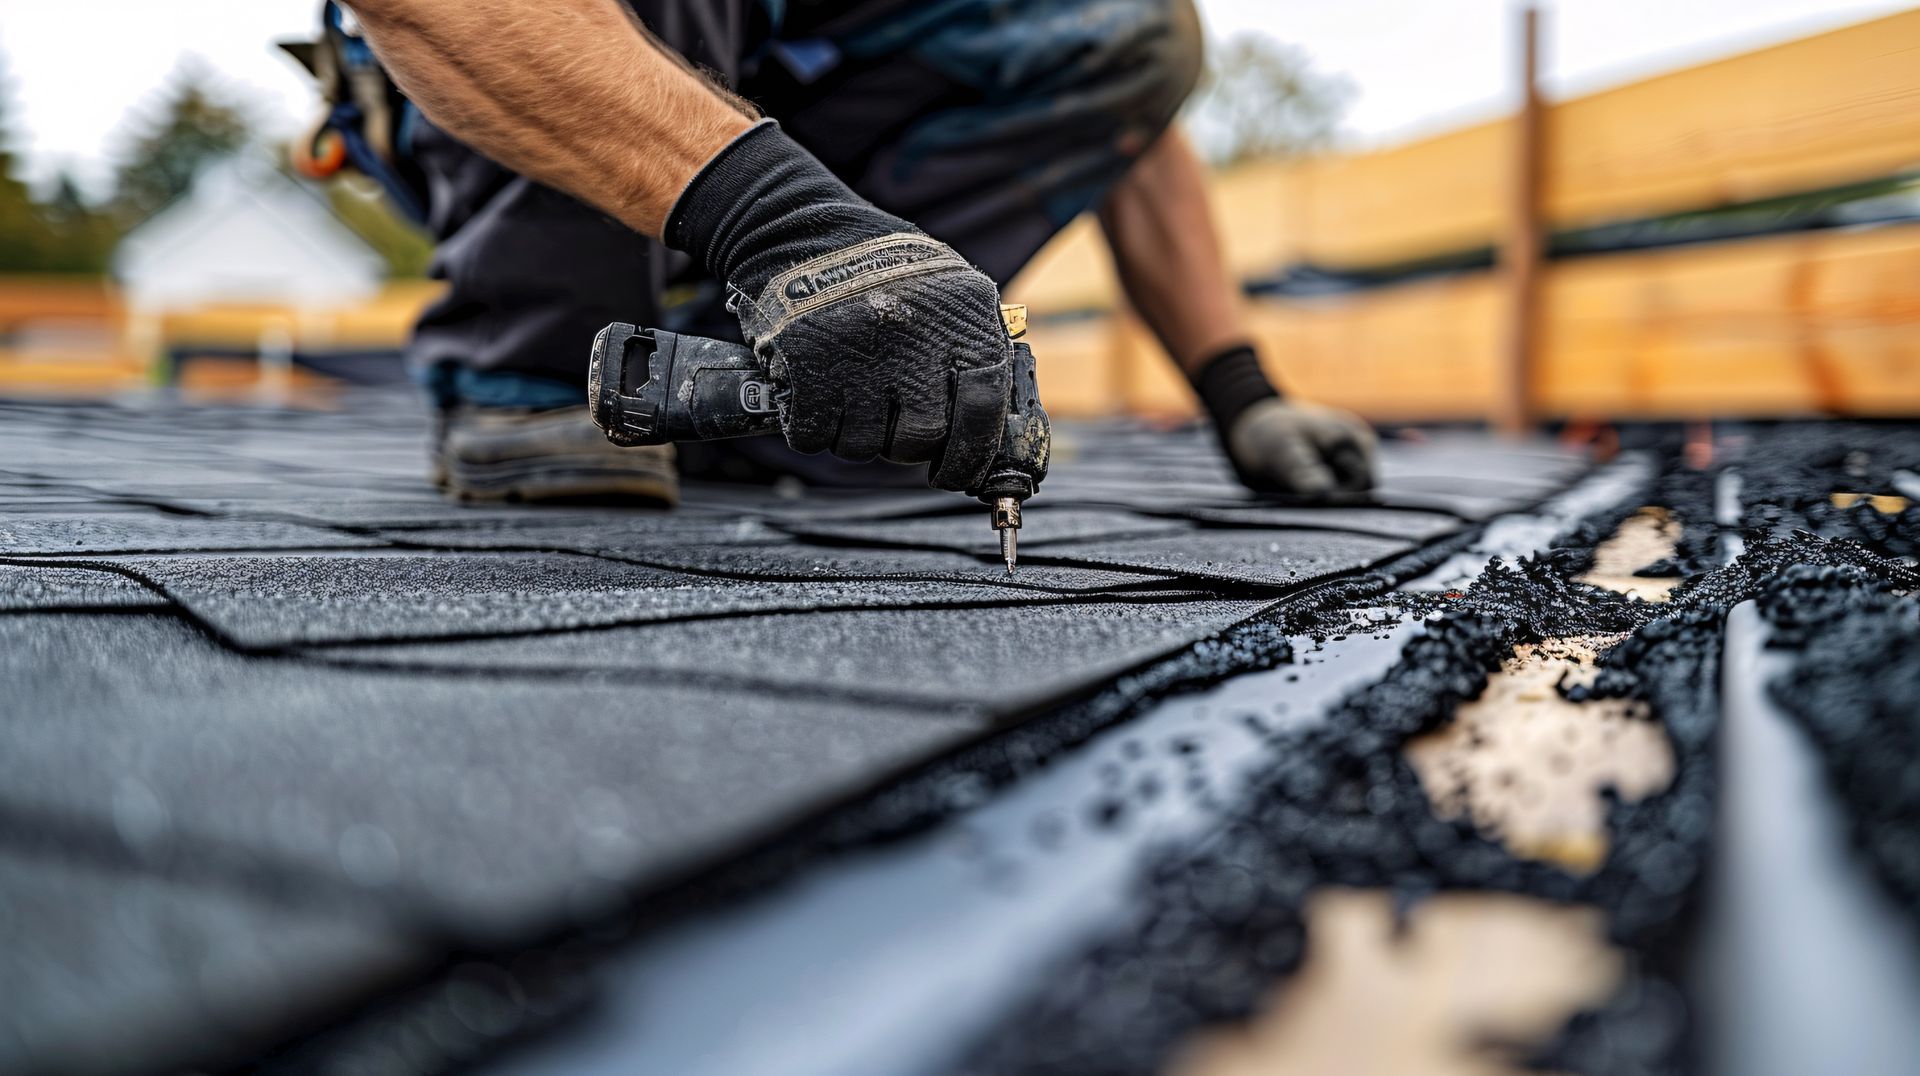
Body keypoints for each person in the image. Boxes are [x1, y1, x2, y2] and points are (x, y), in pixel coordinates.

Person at [336, 0, 1377, 505]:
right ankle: (543, 373)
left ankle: (774, 388)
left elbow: (1130, 118)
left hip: (766, 76)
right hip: (510, 52)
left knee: (1132, 24)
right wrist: (781, 222)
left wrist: (1241, 390)